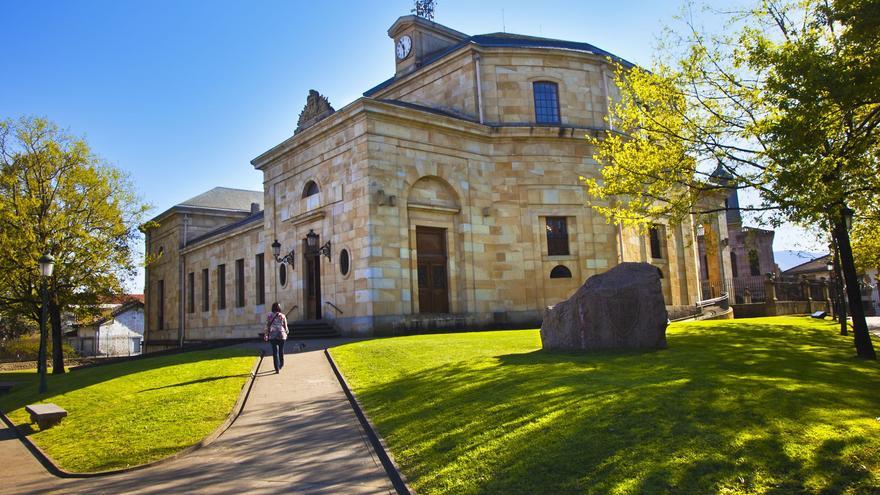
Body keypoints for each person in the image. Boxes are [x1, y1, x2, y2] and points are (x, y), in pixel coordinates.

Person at [265, 302, 288, 373]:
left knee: (275, 352)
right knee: (281, 350)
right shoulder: (283, 316)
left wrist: (266, 334)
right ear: (279, 308)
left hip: (272, 335)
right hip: (281, 335)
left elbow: (267, 326)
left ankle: (277, 368)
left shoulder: (269, 316)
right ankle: (281, 364)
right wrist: (286, 332)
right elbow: (285, 327)